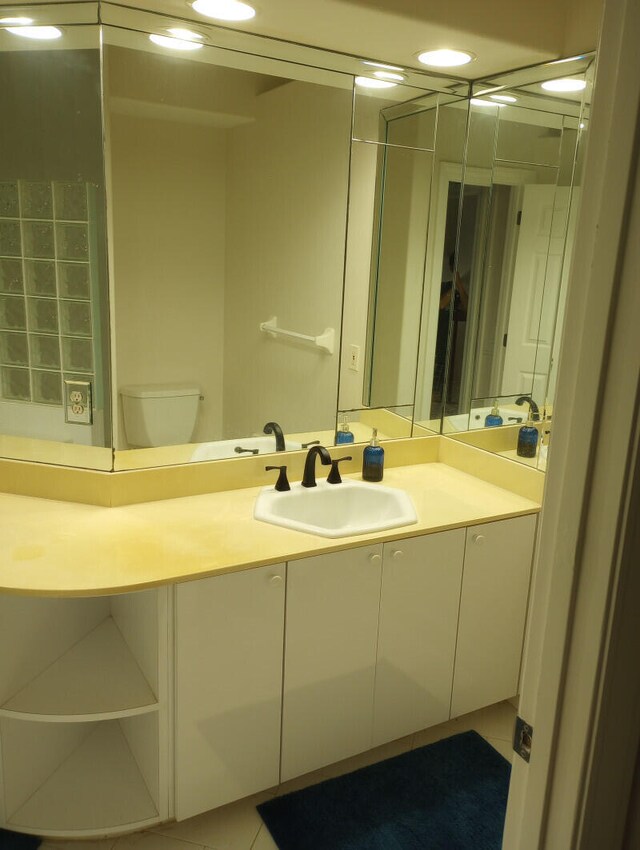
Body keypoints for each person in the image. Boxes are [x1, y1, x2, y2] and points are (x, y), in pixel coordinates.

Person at [433, 253, 469, 405]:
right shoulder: (443, 286)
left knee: (449, 367)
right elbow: (441, 305)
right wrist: (454, 285)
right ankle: (435, 397)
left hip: (453, 335)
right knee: (437, 367)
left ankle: (445, 398)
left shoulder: (461, 288)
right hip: (439, 334)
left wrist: (460, 285)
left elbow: (467, 307)